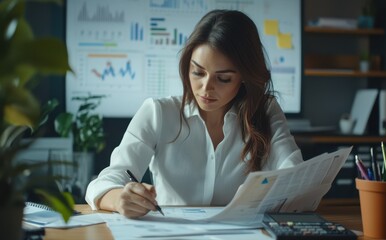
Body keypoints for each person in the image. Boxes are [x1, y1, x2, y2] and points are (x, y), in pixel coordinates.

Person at [85, 9, 303, 218]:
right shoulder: (158, 113)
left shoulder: (264, 110)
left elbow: (295, 175)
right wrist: (119, 199)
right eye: (198, 72)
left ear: (244, 77)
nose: (206, 87)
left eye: (223, 78)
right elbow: (104, 182)